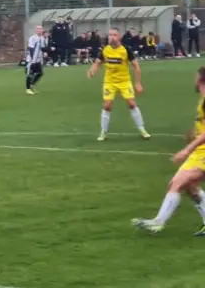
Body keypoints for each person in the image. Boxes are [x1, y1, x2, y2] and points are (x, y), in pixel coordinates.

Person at [132, 67, 205, 236]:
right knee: (188, 187)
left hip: (202, 153)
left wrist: (187, 149)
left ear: (201, 79)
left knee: (177, 183)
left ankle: (158, 222)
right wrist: (193, 134)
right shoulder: (202, 100)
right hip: (200, 152)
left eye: (196, 76)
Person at [87, 28, 150, 142]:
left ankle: (142, 129)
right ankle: (103, 132)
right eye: (110, 35)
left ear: (119, 37)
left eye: (114, 35)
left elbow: (136, 66)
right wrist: (92, 71)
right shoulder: (105, 50)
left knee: (131, 104)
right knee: (107, 106)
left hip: (124, 81)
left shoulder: (126, 49)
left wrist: (137, 82)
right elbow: (98, 62)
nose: (112, 37)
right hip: (109, 82)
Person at [25, 26, 47, 95]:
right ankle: (28, 89)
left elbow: (43, 48)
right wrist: (32, 60)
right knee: (30, 74)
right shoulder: (32, 38)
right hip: (31, 60)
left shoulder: (42, 38)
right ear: (36, 30)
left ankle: (32, 85)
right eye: (38, 29)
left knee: (40, 73)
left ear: (42, 30)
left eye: (40, 29)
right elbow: (31, 49)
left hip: (38, 59)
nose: (39, 30)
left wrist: (46, 52)